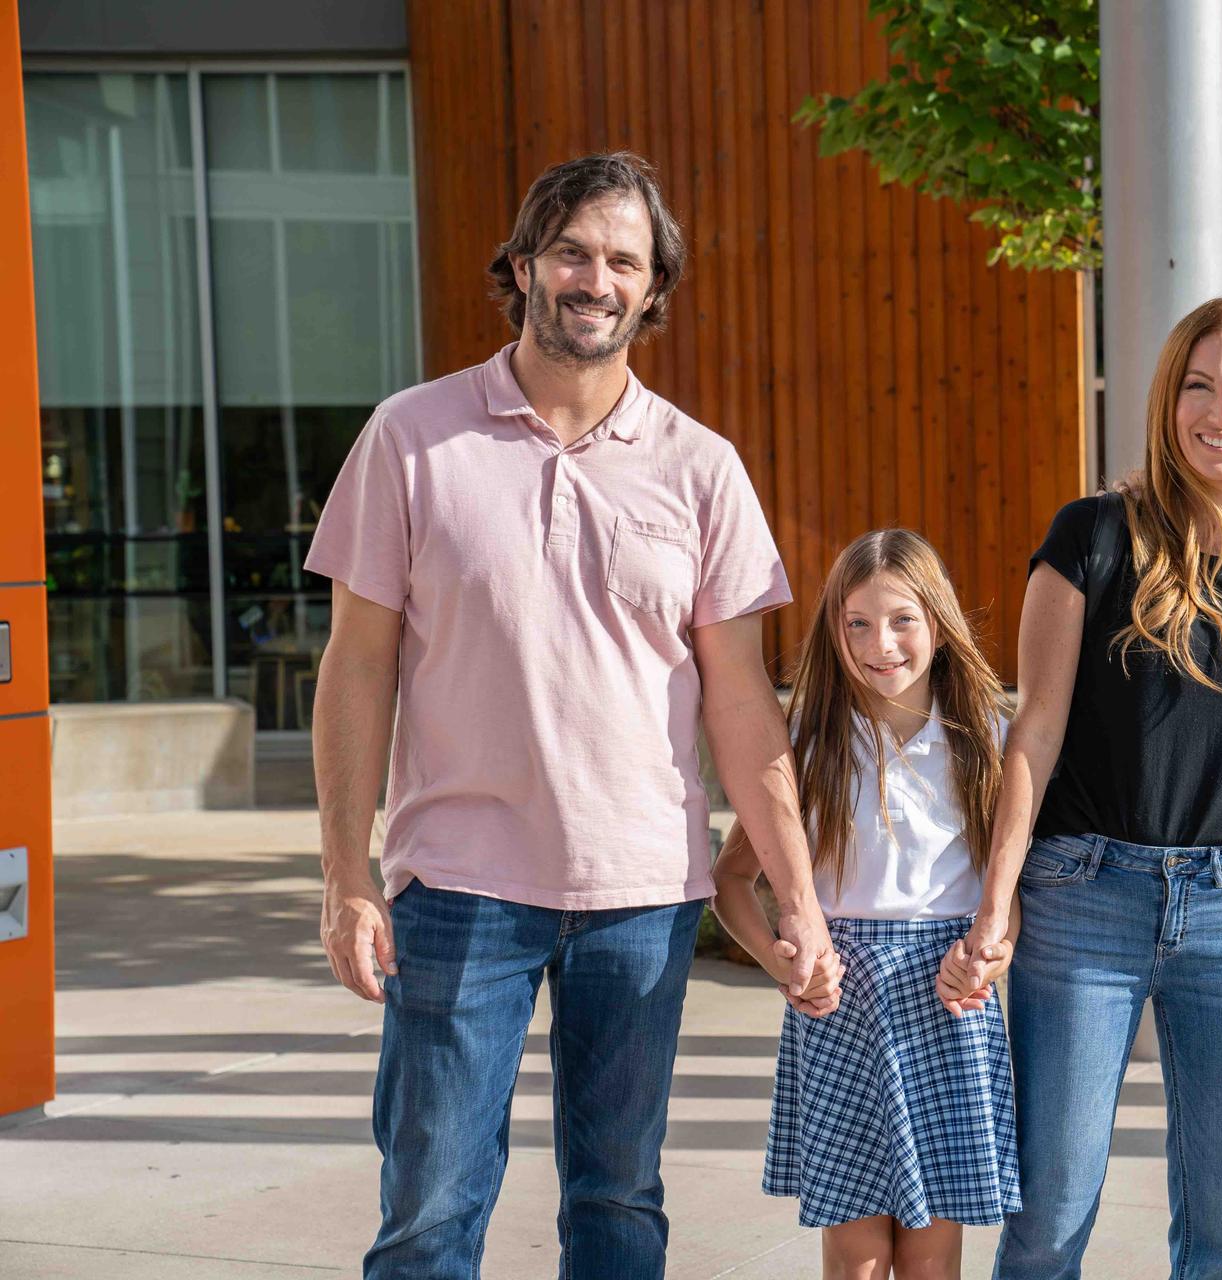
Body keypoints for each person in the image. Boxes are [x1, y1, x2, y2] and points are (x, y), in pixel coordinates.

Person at [306, 151, 835, 1280]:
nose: (596, 278)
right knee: (431, 1205)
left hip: (641, 893)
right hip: (455, 887)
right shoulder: (411, 435)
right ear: (524, 265)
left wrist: (797, 894)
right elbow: (356, 664)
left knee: (617, 1199)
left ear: (654, 290)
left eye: (624, 261)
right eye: (574, 252)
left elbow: (741, 700)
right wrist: (347, 870)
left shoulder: (702, 468)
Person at [964, 295, 1222, 1280]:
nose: (1219, 411)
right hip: (1083, 894)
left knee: (1219, 1216)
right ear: (1167, 399)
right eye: (1199, 386)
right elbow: (1036, 729)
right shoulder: (1092, 535)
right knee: (1051, 1208)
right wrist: (996, 897)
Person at [712, 528, 1022, 1280]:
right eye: (857, 623)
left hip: (948, 1011)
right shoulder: (804, 749)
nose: (880, 643)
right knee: (858, 1259)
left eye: (901, 619)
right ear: (834, 630)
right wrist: (785, 969)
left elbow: (1013, 891)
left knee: (930, 1255)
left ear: (940, 626)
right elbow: (730, 884)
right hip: (839, 1012)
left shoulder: (990, 738)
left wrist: (991, 954)